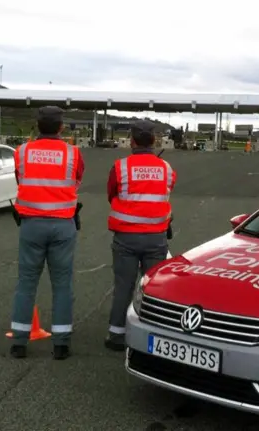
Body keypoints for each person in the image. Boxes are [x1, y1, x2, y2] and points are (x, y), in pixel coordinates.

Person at [9, 106, 84, 360]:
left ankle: (19, 342)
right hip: (63, 224)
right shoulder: (73, 154)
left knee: (26, 282)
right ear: (61, 127)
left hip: (31, 225)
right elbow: (76, 181)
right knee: (62, 284)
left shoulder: (22, 152)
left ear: (37, 126)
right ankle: (61, 344)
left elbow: (21, 179)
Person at [104, 120, 176, 351]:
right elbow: (167, 190)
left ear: (132, 141)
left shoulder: (120, 167)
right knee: (153, 290)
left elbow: (111, 193)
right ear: (154, 141)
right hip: (156, 237)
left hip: (125, 237)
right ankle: (151, 335)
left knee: (123, 286)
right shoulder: (166, 168)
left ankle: (116, 334)